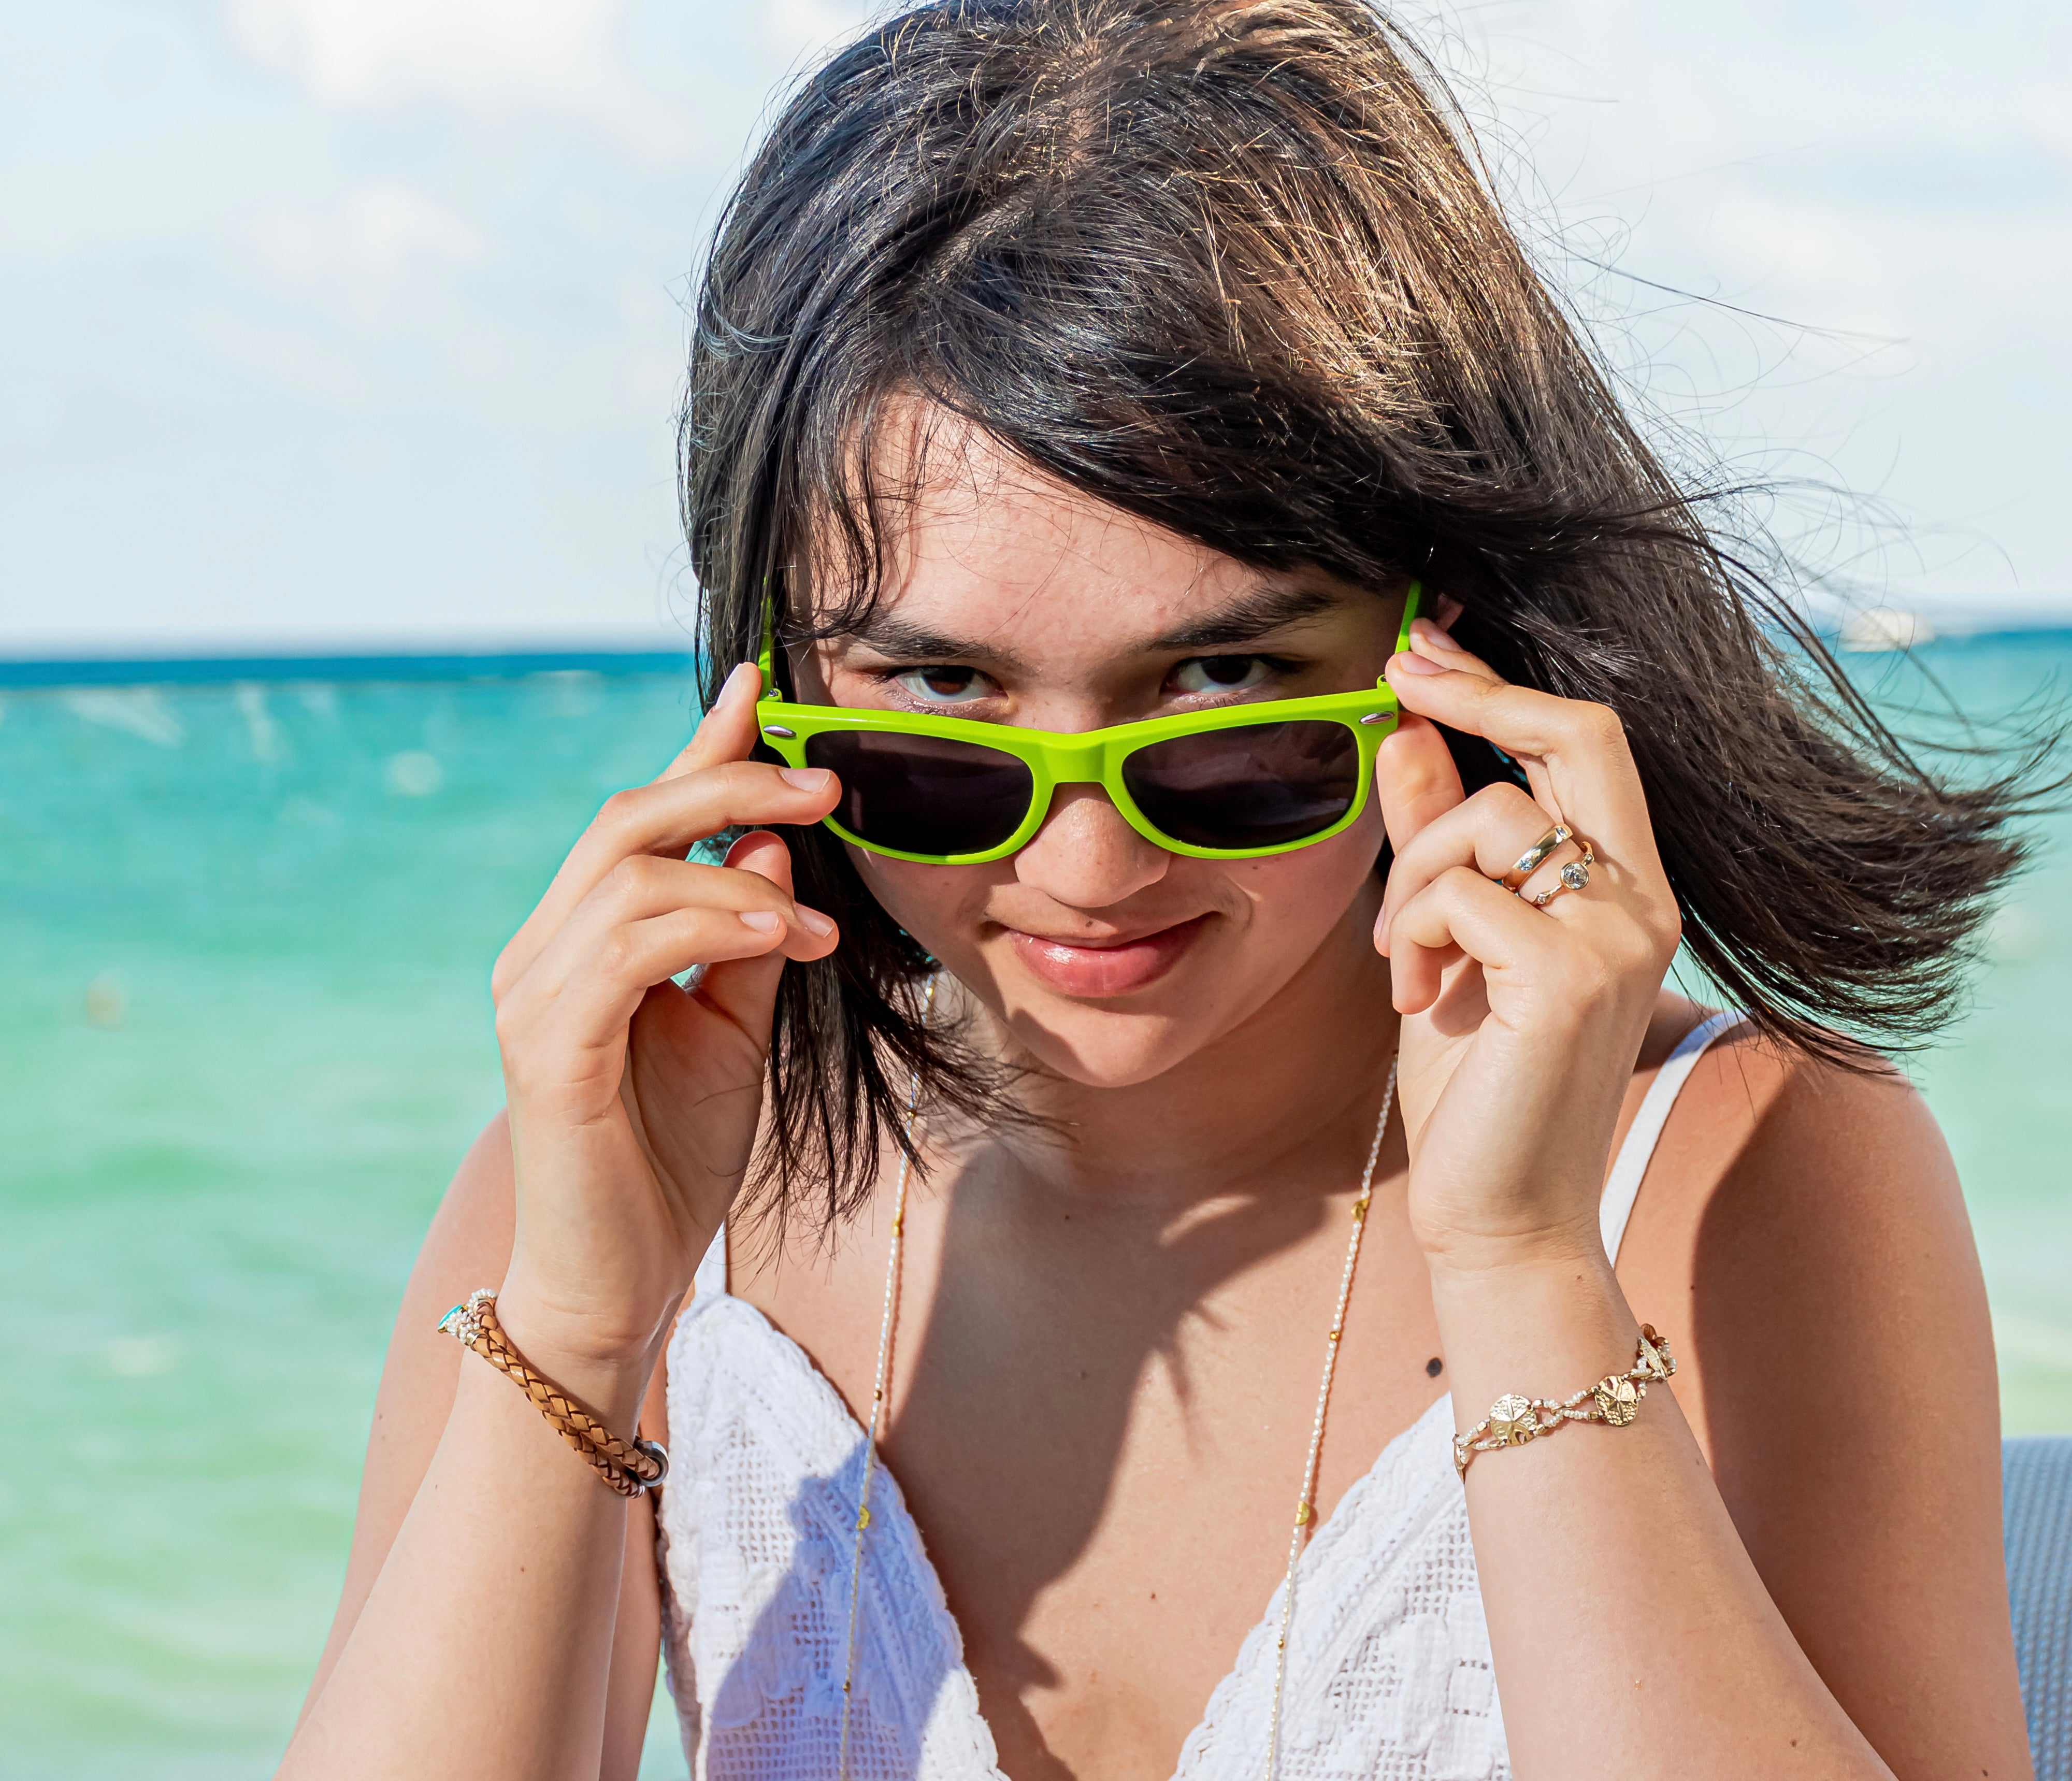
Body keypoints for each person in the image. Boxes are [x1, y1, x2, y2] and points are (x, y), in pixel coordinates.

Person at [281, 4, 2039, 1778]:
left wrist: (1520, 1271)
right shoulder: (620, 1186)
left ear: (1443, 640)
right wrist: (584, 1321)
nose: (1089, 869)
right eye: (946, 708)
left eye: (1220, 708)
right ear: (777, 681)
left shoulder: (1742, 1173)